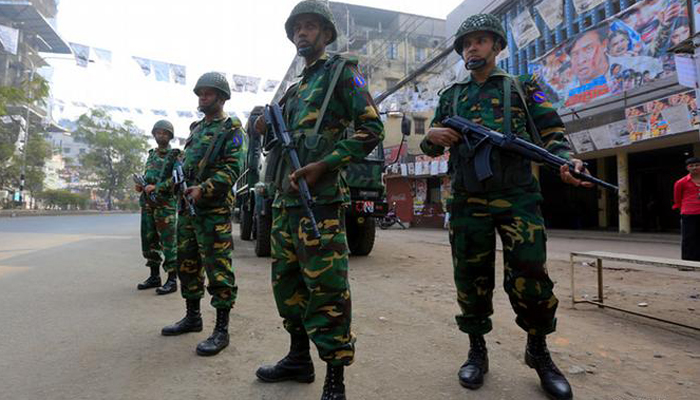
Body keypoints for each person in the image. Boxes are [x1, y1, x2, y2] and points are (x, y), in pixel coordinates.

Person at [422, 14, 594, 400]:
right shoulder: (450, 96)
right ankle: (476, 351)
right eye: (466, 43)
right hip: (467, 199)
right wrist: (432, 135)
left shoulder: (523, 86)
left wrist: (566, 160)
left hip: (518, 198)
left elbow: (551, 131)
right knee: (471, 277)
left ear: (498, 46)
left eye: (481, 41)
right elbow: (430, 145)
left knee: (531, 274)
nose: (472, 47)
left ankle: (539, 351)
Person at [253, 1, 383, 398]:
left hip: (320, 203)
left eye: (311, 26)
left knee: (327, 290)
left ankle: (335, 377)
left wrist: (325, 164)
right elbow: (275, 140)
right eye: (297, 28)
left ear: (326, 34)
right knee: (288, 287)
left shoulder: (343, 73)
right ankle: (298, 359)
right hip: (284, 203)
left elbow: (371, 129)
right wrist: (261, 126)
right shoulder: (294, 90)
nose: (302, 33)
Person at [160, 72, 246, 357]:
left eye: (208, 93)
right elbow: (186, 164)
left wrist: (204, 188)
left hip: (213, 210)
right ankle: (193, 317)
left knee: (218, 269)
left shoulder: (232, 129)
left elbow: (233, 168)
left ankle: (221, 330)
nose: (202, 98)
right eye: (200, 93)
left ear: (222, 97)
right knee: (187, 264)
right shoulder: (197, 129)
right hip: (187, 209)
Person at [134, 120, 180, 295]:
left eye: (165, 133)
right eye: (158, 132)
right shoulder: (151, 154)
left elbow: (177, 178)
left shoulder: (175, 155)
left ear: (170, 136)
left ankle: (172, 280)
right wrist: (142, 185)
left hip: (165, 205)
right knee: (149, 241)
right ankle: (154, 276)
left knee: (169, 243)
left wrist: (157, 188)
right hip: (148, 204)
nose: (161, 135)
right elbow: (149, 175)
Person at [673, 157, 700, 261]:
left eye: (697, 165)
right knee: (689, 238)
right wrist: (684, 209)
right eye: (691, 166)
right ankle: (688, 262)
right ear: (687, 168)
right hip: (689, 213)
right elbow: (677, 199)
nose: (694, 167)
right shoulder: (681, 182)